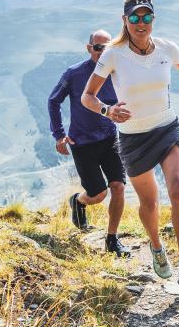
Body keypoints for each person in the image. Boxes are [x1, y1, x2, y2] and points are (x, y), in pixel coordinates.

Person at [81, 0, 179, 291]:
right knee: (149, 202)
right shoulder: (113, 54)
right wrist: (108, 110)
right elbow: (87, 96)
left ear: (153, 19)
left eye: (146, 17)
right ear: (125, 21)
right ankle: (156, 246)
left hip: (167, 128)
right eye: (134, 17)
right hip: (132, 137)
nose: (140, 23)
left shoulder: (166, 48)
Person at [48, 30, 131, 257]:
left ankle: (112, 240)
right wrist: (58, 134)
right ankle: (78, 201)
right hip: (82, 143)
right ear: (88, 48)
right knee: (99, 194)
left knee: (118, 187)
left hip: (110, 138)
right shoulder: (74, 74)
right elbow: (53, 100)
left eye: (107, 48)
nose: (102, 52)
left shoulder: (116, 73)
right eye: (98, 48)